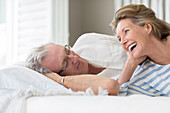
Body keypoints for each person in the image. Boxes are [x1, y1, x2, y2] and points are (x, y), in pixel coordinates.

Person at [26, 33, 127, 95]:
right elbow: (112, 86)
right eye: (65, 63)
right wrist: (58, 80)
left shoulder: (86, 40)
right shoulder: (82, 90)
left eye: (67, 51)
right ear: (56, 75)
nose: (74, 58)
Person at [111, 4, 170, 96]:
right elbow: (116, 95)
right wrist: (131, 63)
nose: (122, 42)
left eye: (126, 31)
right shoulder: (144, 74)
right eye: (119, 39)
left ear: (148, 28)